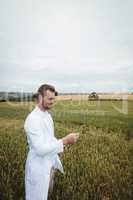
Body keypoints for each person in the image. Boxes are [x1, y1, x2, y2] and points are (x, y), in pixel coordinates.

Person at [24, 84, 79, 200]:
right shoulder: (32, 120)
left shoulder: (47, 116)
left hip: (49, 166)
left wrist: (64, 141)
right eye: (50, 99)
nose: (52, 102)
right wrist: (64, 141)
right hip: (38, 168)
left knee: (47, 195)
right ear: (40, 97)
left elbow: (49, 138)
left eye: (54, 99)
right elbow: (39, 149)